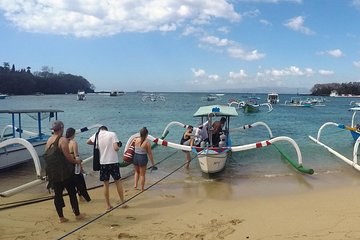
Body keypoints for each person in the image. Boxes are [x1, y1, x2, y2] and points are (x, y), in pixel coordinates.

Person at [44, 121, 85, 223]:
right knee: (72, 193)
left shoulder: (49, 140)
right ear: (62, 129)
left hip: (53, 173)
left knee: (57, 195)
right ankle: (77, 215)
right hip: (64, 173)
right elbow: (68, 158)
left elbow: (46, 155)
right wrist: (77, 161)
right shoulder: (62, 140)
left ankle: (61, 217)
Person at [87, 126, 125, 211]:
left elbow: (88, 142)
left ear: (100, 129)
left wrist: (97, 143)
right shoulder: (112, 134)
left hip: (103, 163)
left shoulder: (96, 135)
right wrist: (118, 146)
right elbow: (116, 148)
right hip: (113, 162)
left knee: (105, 184)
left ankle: (108, 205)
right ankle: (122, 202)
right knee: (118, 182)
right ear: (106, 129)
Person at [66, 127, 91, 202]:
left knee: (72, 184)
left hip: (67, 164)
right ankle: (83, 198)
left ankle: (79, 198)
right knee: (80, 182)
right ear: (73, 134)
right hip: (74, 164)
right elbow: (77, 156)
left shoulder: (64, 142)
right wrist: (81, 167)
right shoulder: (74, 143)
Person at [132, 127, 156, 191]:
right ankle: (142, 188)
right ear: (146, 134)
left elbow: (132, 148)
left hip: (135, 157)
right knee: (142, 175)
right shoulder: (147, 143)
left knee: (136, 172)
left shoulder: (135, 139)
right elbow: (150, 154)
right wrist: (153, 163)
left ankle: (135, 185)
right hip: (142, 158)